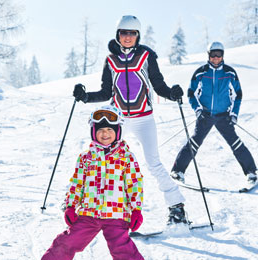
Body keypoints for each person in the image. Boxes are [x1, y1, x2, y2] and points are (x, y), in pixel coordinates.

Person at [72, 15, 188, 224]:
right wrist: (85, 96)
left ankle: (176, 207)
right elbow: (106, 91)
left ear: (138, 36)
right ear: (118, 35)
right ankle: (87, 205)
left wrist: (172, 93)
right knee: (101, 159)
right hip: (119, 121)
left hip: (144, 118)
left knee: (153, 163)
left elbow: (158, 85)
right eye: (124, 33)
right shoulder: (110, 60)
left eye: (132, 33)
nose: (127, 37)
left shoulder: (146, 57)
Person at [42, 106, 144, 260]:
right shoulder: (85, 158)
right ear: (93, 132)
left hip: (116, 215)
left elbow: (134, 184)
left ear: (117, 132)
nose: (105, 134)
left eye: (110, 130)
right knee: (65, 243)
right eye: (101, 130)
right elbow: (77, 183)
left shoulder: (126, 157)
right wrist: (70, 206)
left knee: (123, 250)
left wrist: (136, 209)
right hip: (89, 213)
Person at [170, 41, 258, 185]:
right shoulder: (201, 72)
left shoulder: (229, 72)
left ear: (223, 56)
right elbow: (191, 93)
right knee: (194, 143)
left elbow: (238, 94)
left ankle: (251, 172)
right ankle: (177, 171)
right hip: (205, 115)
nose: (216, 58)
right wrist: (198, 109)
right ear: (208, 55)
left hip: (224, 115)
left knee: (235, 143)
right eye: (213, 54)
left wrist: (234, 114)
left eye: (219, 55)